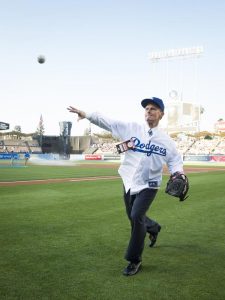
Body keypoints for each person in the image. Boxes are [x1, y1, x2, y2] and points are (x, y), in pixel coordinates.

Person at [67, 97, 184, 276]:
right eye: (146, 109)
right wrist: (87, 115)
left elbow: (175, 160)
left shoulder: (166, 141)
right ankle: (152, 227)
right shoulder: (132, 128)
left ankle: (134, 260)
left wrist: (178, 174)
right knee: (132, 215)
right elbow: (107, 121)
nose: (149, 111)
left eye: (153, 109)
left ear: (161, 114)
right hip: (129, 180)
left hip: (149, 184)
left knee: (136, 215)